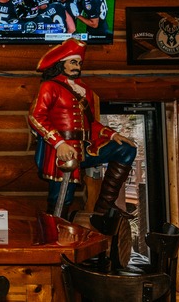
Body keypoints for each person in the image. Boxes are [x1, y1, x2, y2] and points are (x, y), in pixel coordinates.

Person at [27, 38, 137, 233]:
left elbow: (91, 123)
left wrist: (112, 135)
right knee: (61, 199)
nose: (77, 66)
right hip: (61, 150)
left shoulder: (84, 89)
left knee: (126, 149)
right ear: (61, 63)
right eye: (73, 62)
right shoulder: (50, 86)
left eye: (79, 63)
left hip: (84, 148)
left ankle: (104, 208)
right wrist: (58, 143)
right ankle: (53, 240)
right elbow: (36, 117)